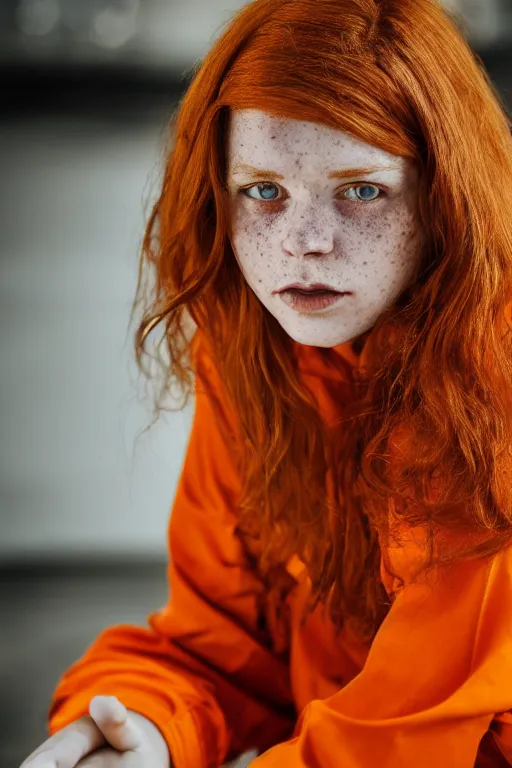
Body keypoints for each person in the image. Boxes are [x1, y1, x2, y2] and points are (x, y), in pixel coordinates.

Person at [20, 0, 512, 766]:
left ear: (447, 195)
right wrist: (143, 734)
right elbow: (225, 645)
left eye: (361, 190)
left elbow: (411, 733)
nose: (303, 244)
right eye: (263, 189)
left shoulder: (498, 369)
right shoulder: (252, 353)